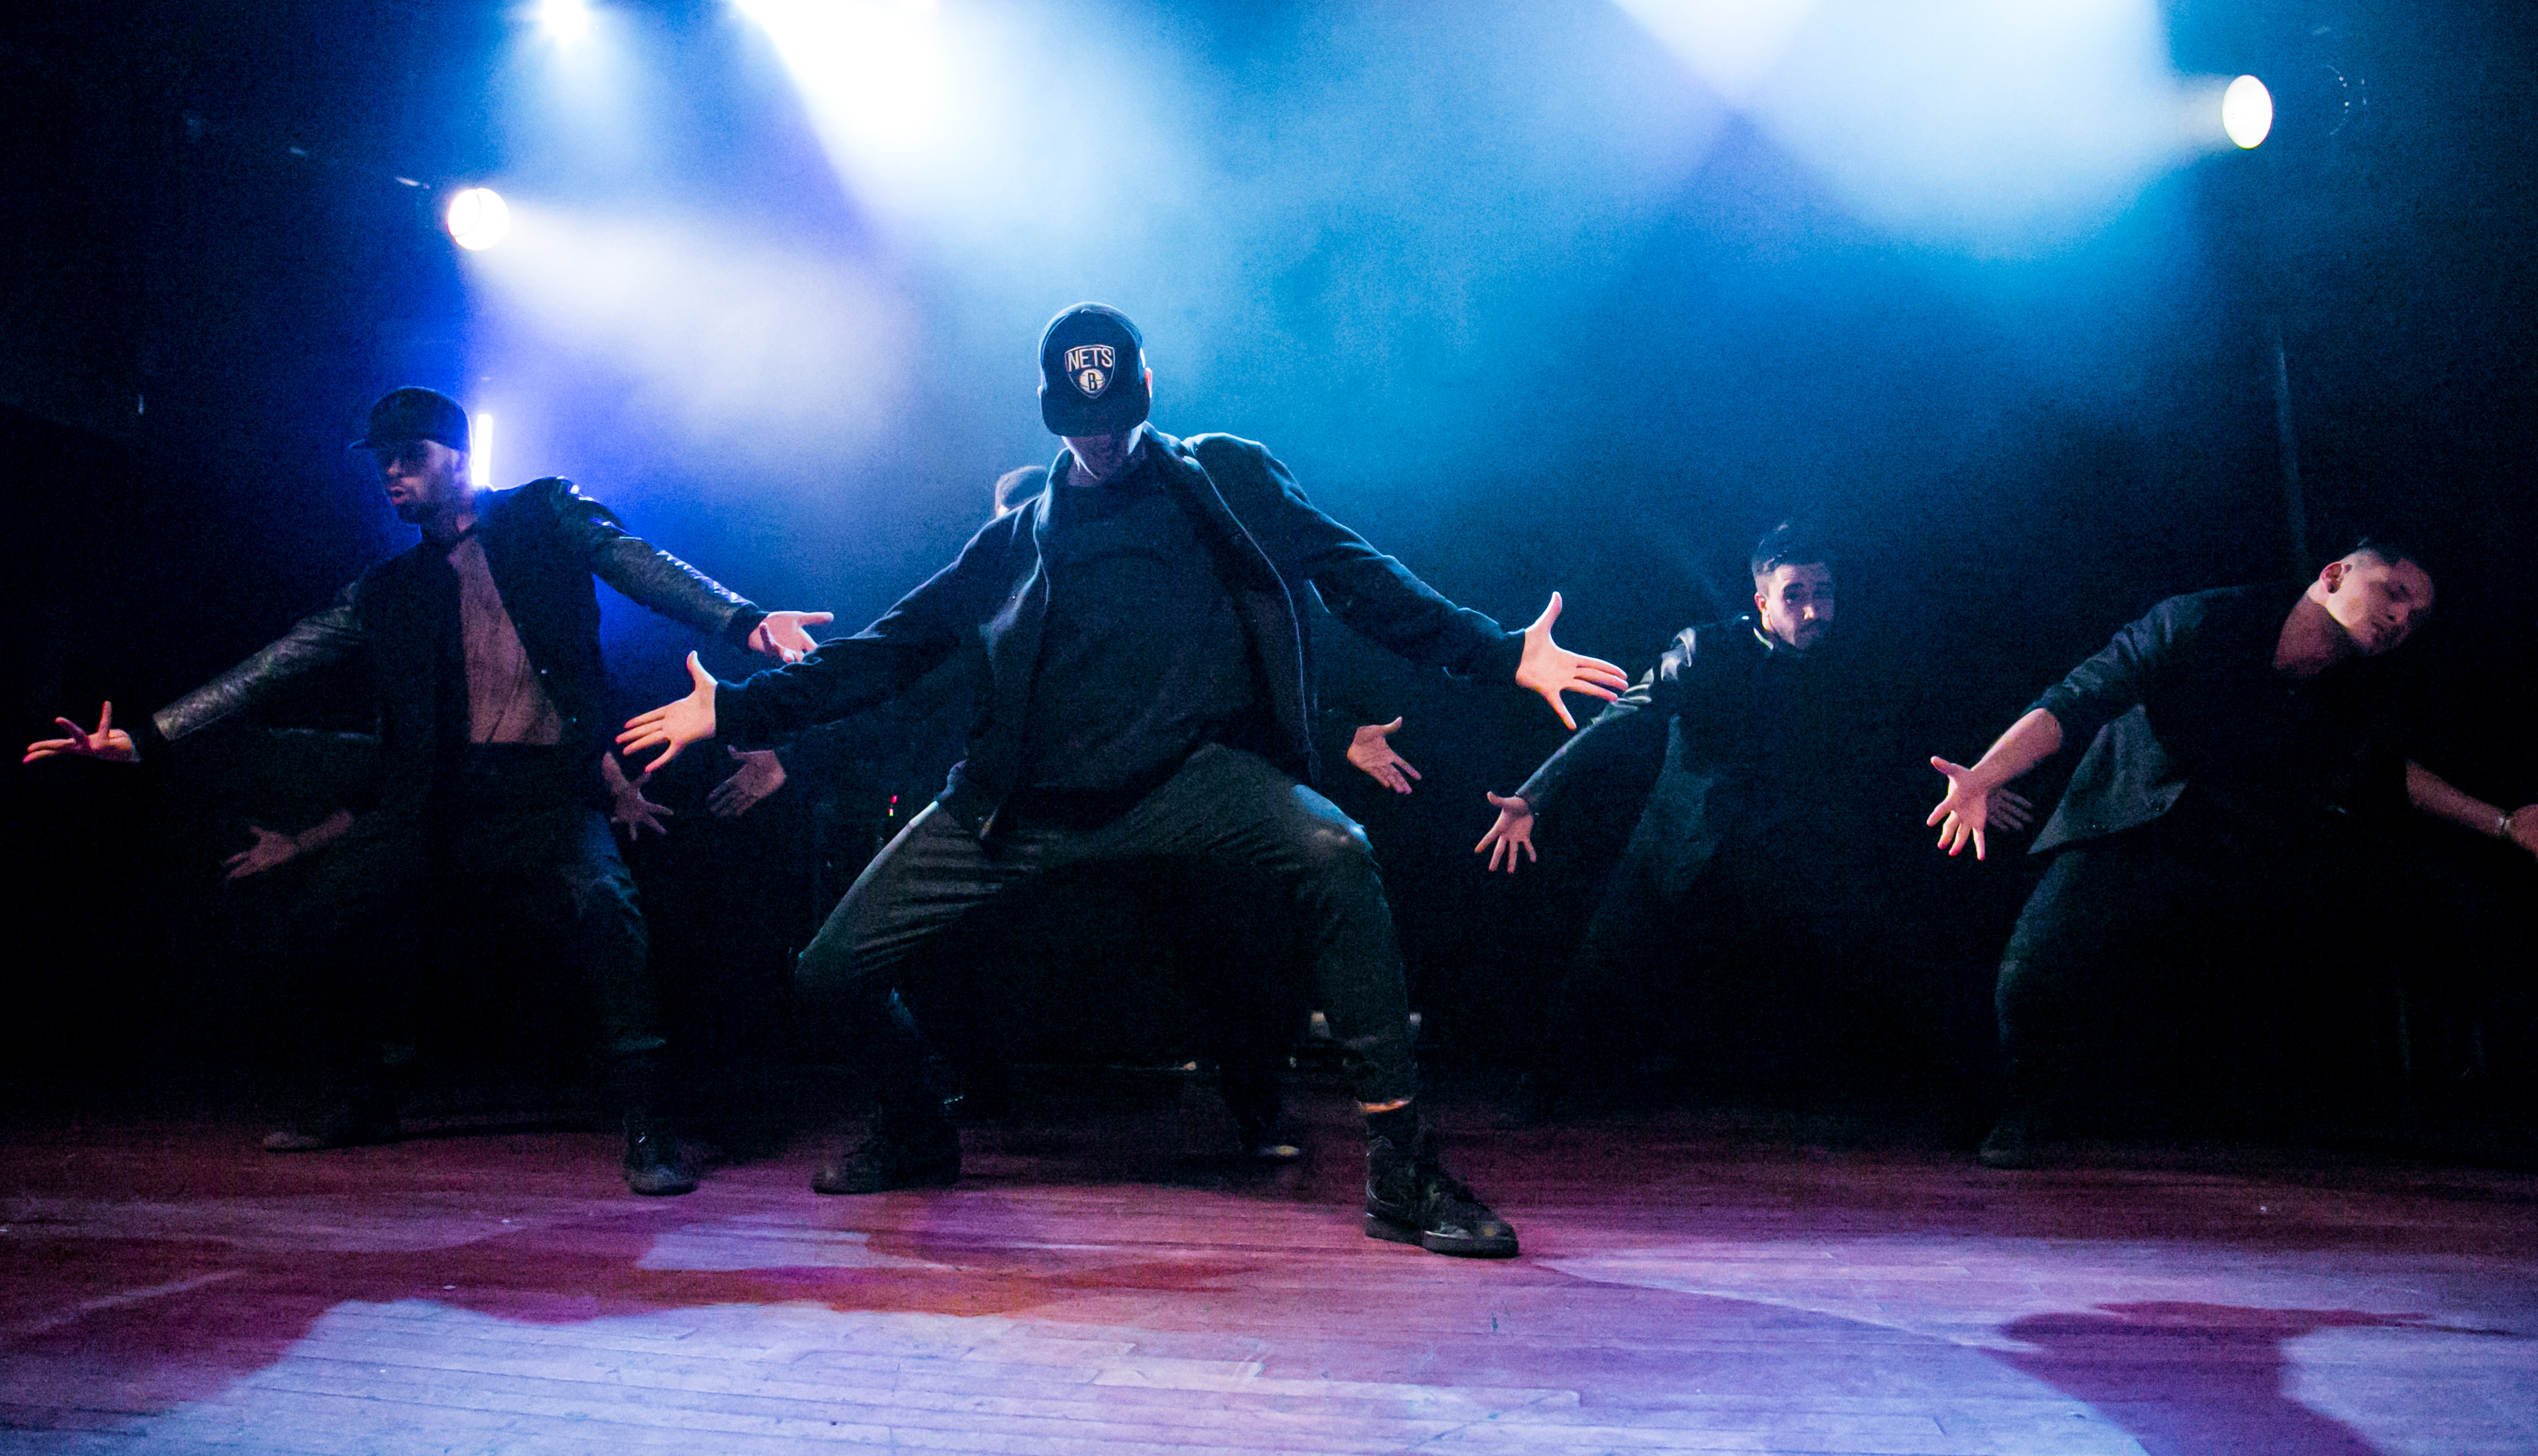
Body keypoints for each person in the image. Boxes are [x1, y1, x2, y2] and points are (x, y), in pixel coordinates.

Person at [618, 303, 1628, 1256]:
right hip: (1023, 806)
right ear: (1051, 416)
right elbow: (885, 653)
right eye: (1080, 424)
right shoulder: (1014, 540)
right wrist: (738, 709)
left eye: (1117, 417)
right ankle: (918, 1129)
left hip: (1194, 783)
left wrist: (1499, 654)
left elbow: (1353, 573)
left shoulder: (1227, 479)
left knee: (1336, 851)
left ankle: (1404, 1176)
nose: (1101, 442)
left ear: (1146, 387)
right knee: (827, 969)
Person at [24, 387, 831, 1195]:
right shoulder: (388, 588)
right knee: (319, 919)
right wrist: (149, 734)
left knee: (607, 913)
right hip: (440, 799)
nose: (391, 474)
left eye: (408, 456)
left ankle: (649, 1130)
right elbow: (279, 662)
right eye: (382, 462)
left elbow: (637, 563)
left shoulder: (545, 514)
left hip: (546, 794)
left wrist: (744, 621)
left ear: (462, 455)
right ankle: (363, 1098)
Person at [1927, 542, 2538, 1167]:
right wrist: (1982, 774)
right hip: (2136, 826)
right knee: (2033, 966)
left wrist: (2504, 824)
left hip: (2249, 845)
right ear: (2334, 575)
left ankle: (2521, 1118)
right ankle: (2024, 1110)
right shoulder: (2203, 621)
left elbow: (2382, 774)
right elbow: (2080, 697)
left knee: (2454, 910)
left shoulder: (2354, 689)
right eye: (2395, 593)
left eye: (2416, 617)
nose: (2401, 619)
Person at [1476, 523, 2032, 1120]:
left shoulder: (1850, 668)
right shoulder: (1704, 651)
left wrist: (1973, 783)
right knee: (1603, 964)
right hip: (1682, 845)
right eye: (1795, 595)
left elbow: (1891, 751)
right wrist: (1535, 795)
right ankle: (1543, 1091)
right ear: (1763, 602)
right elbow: (1625, 717)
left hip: (1791, 855)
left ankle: (1979, 1108)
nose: (1814, 609)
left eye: (1824, 593)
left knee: (1884, 956)